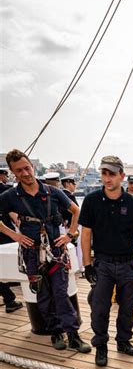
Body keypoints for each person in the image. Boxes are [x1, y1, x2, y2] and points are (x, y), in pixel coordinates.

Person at [0, 149, 90, 351]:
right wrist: (14, 236)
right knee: (43, 294)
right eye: (19, 171)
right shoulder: (11, 196)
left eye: (26, 168)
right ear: (13, 173)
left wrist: (70, 235)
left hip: (56, 251)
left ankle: (73, 335)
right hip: (32, 253)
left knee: (61, 292)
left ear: (31, 166)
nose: (25, 173)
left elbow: (76, 211)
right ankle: (56, 332)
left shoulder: (53, 192)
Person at [79, 155, 133, 367]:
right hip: (103, 264)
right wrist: (87, 265)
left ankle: (123, 341)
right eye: (104, 173)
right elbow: (86, 234)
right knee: (99, 307)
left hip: (128, 263)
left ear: (122, 176)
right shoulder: (91, 201)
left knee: (127, 306)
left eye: (111, 174)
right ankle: (101, 345)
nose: (107, 178)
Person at [0, 168, 23, 313]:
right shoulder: (5, 191)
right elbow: (14, 213)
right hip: (5, 235)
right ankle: (9, 299)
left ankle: (9, 298)